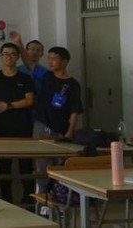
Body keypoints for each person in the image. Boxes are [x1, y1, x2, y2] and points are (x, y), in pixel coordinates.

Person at [0, 42, 35, 202]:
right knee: (4, 166)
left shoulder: (25, 78)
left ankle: (29, 200)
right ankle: (6, 200)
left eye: (13, 54)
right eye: (5, 54)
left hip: (23, 127)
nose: (9, 57)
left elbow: (29, 100)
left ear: (18, 57)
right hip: (2, 127)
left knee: (26, 166)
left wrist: (8, 105)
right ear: (1, 56)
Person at [33, 46, 83, 192]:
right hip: (42, 124)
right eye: (49, 58)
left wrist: (70, 131)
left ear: (65, 61)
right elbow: (30, 64)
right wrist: (19, 42)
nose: (50, 61)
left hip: (61, 127)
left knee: (61, 164)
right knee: (42, 163)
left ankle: (60, 195)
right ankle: (43, 196)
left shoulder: (73, 84)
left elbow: (75, 110)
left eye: (54, 58)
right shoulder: (47, 76)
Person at [9, 31, 49, 98]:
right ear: (26, 51)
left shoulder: (45, 72)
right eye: (32, 49)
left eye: (38, 50)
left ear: (42, 54)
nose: (34, 52)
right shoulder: (17, 70)